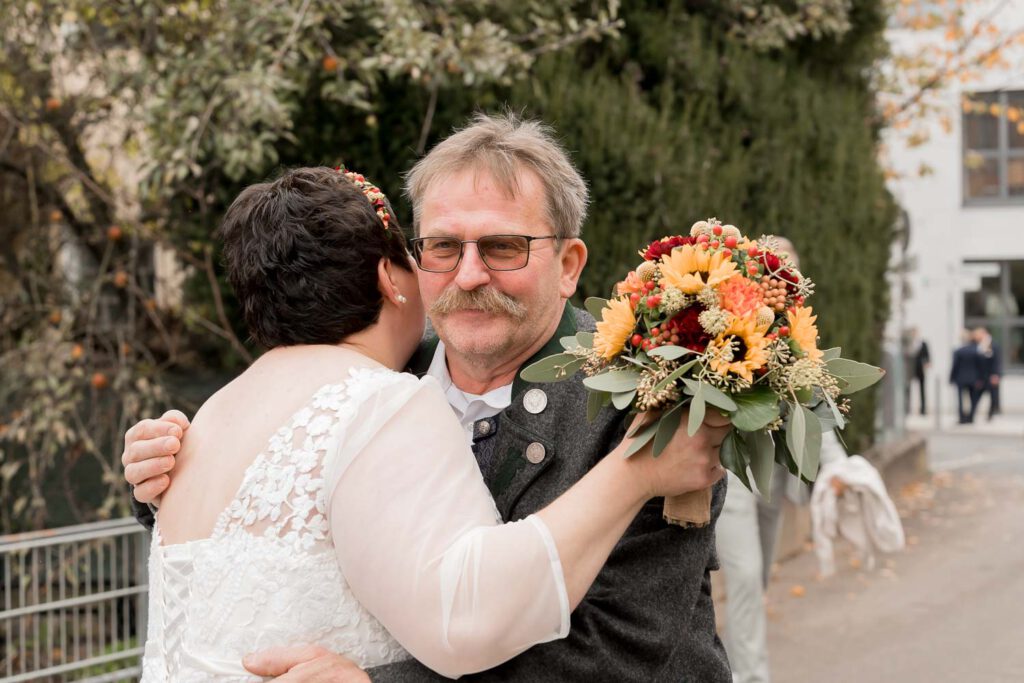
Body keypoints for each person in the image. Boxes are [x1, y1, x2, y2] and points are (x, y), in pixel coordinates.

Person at [122, 113, 734, 682]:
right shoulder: (368, 387)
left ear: (569, 264)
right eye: (443, 247)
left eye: (502, 247)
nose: (469, 275)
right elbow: (279, 512)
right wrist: (162, 473)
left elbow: (623, 648)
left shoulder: (645, 400)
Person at [950, 330, 983, 424]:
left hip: (960, 378)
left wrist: (951, 378)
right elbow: (980, 366)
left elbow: (955, 366)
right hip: (974, 378)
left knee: (960, 400)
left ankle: (961, 418)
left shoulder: (958, 351)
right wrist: (981, 378)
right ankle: (971, 417)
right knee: (973, 399)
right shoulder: (976, 351)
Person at [974, 327, 1002, 421]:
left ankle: (991, 414)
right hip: (982, 376)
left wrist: (996, 374)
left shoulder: (993, 345)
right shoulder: (979, 345)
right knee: (977, 395)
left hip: (991, 375)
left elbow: (997, 361)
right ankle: (971, 414)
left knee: (993, 396)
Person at [903, 327, 930, 416]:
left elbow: (927, 355)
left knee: (922, 389)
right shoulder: (908, 344)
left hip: (920, 369)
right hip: (910, 368)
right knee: (908, 388)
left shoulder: (923, 343)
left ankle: (923, 409)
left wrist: (927, 363)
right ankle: (907, 408)